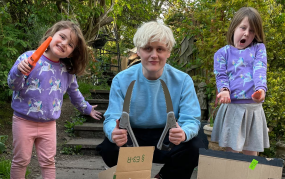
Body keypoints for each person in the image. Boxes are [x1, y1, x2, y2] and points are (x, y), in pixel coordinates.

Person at [97, 21, 207, 179]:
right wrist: (113, 132)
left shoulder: (183, 80)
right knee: (108, 148)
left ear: (168, 52)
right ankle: (133, 176)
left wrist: (183, 132)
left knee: (195, 146)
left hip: (167, 137)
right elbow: (111, 117)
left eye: (160, 49)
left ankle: (162, 177)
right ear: (139, 51)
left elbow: (191, 119)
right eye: (148, 48)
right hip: (132, 136)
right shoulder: (121, 80)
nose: (154, 55)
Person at [7, 20, 102, 179]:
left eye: (71, 44)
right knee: (21, 161)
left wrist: (86, 108)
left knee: (48, 162)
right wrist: (18, 70)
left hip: (49, 125)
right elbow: (13, 85)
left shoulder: (67, 71)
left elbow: (74, 93)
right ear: (51, 36)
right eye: (62, 37)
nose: (64, 43)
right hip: (23, 121)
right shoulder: (28, 57)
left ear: (71, 53)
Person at [211, 7, 269, 156]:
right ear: (234, 27)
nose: (246, 33)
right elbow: (221, 75)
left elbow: (260, 68)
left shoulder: (258, 49)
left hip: (253, 111)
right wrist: (224, 90)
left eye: (251, 31)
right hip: (233, 110)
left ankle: (253, 173)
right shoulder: (222, 53)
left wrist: (261, 89)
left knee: (252, 155)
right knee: (233, 153)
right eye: (243, 27)